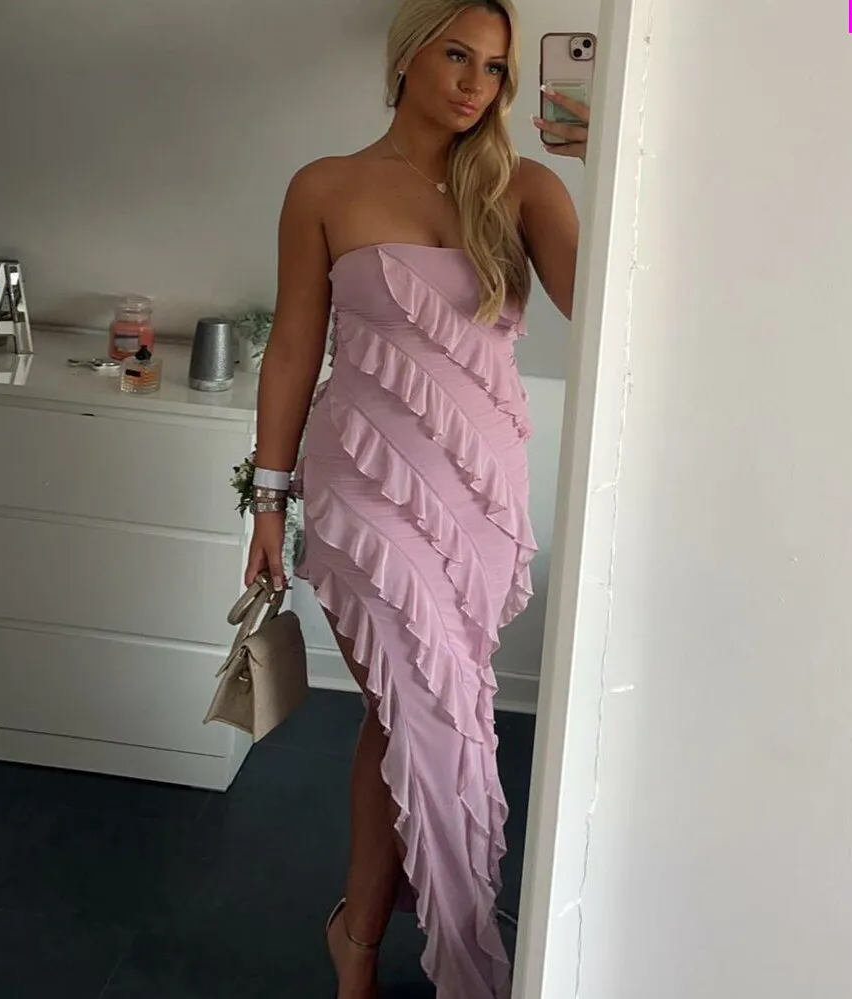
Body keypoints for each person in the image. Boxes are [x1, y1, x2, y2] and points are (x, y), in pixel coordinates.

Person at [244, 1, 589, 996]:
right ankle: (459, 951)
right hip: (363, 488)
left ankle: (357, 933)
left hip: (478, 498)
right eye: (457, 56)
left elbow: (610, 308)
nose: (477, 82)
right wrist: (268, 500)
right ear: (408, 57)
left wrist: (606, 161)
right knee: (424, 714)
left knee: (405, 715)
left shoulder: (526, 188)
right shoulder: (325, 185)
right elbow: (294, 349)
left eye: (495, 67)